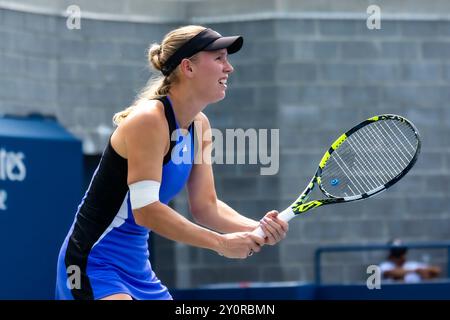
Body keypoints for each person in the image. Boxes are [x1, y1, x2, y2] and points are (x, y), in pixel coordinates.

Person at [55, 25, 289, 300]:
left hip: (138, 269)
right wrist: (221, 243)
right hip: (92, 262)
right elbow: (147, 211)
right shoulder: (149, 120)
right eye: (219, 58)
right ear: (188, 67)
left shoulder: (200, 125)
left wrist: (256, 228)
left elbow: (206, 207)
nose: (229, 68)